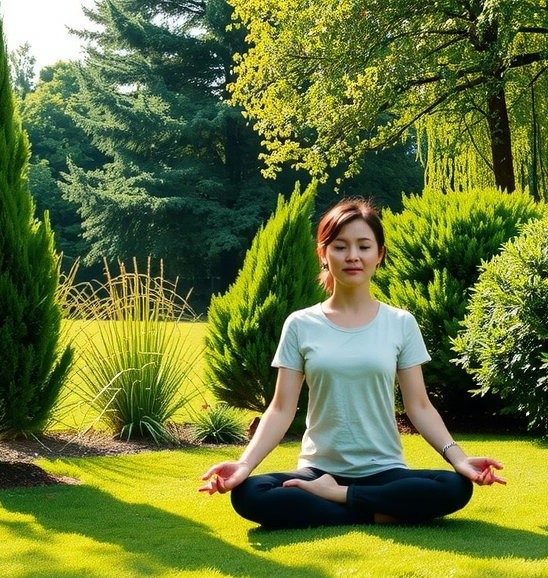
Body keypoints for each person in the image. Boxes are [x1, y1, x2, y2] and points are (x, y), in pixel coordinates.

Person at [199, 198, 504, 529]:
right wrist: (244, 465)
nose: (353, 256)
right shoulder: (301, 324)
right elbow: (281, 409)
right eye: (341, 246)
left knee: (454, 486)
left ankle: (337, 498)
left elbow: (419, 406)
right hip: (318, 469)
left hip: (385, 470)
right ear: (324, 254)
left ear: (379, 255)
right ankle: (378, 510)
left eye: (363, 246)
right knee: (251, 494)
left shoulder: (400, 323)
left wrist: (459, 459)